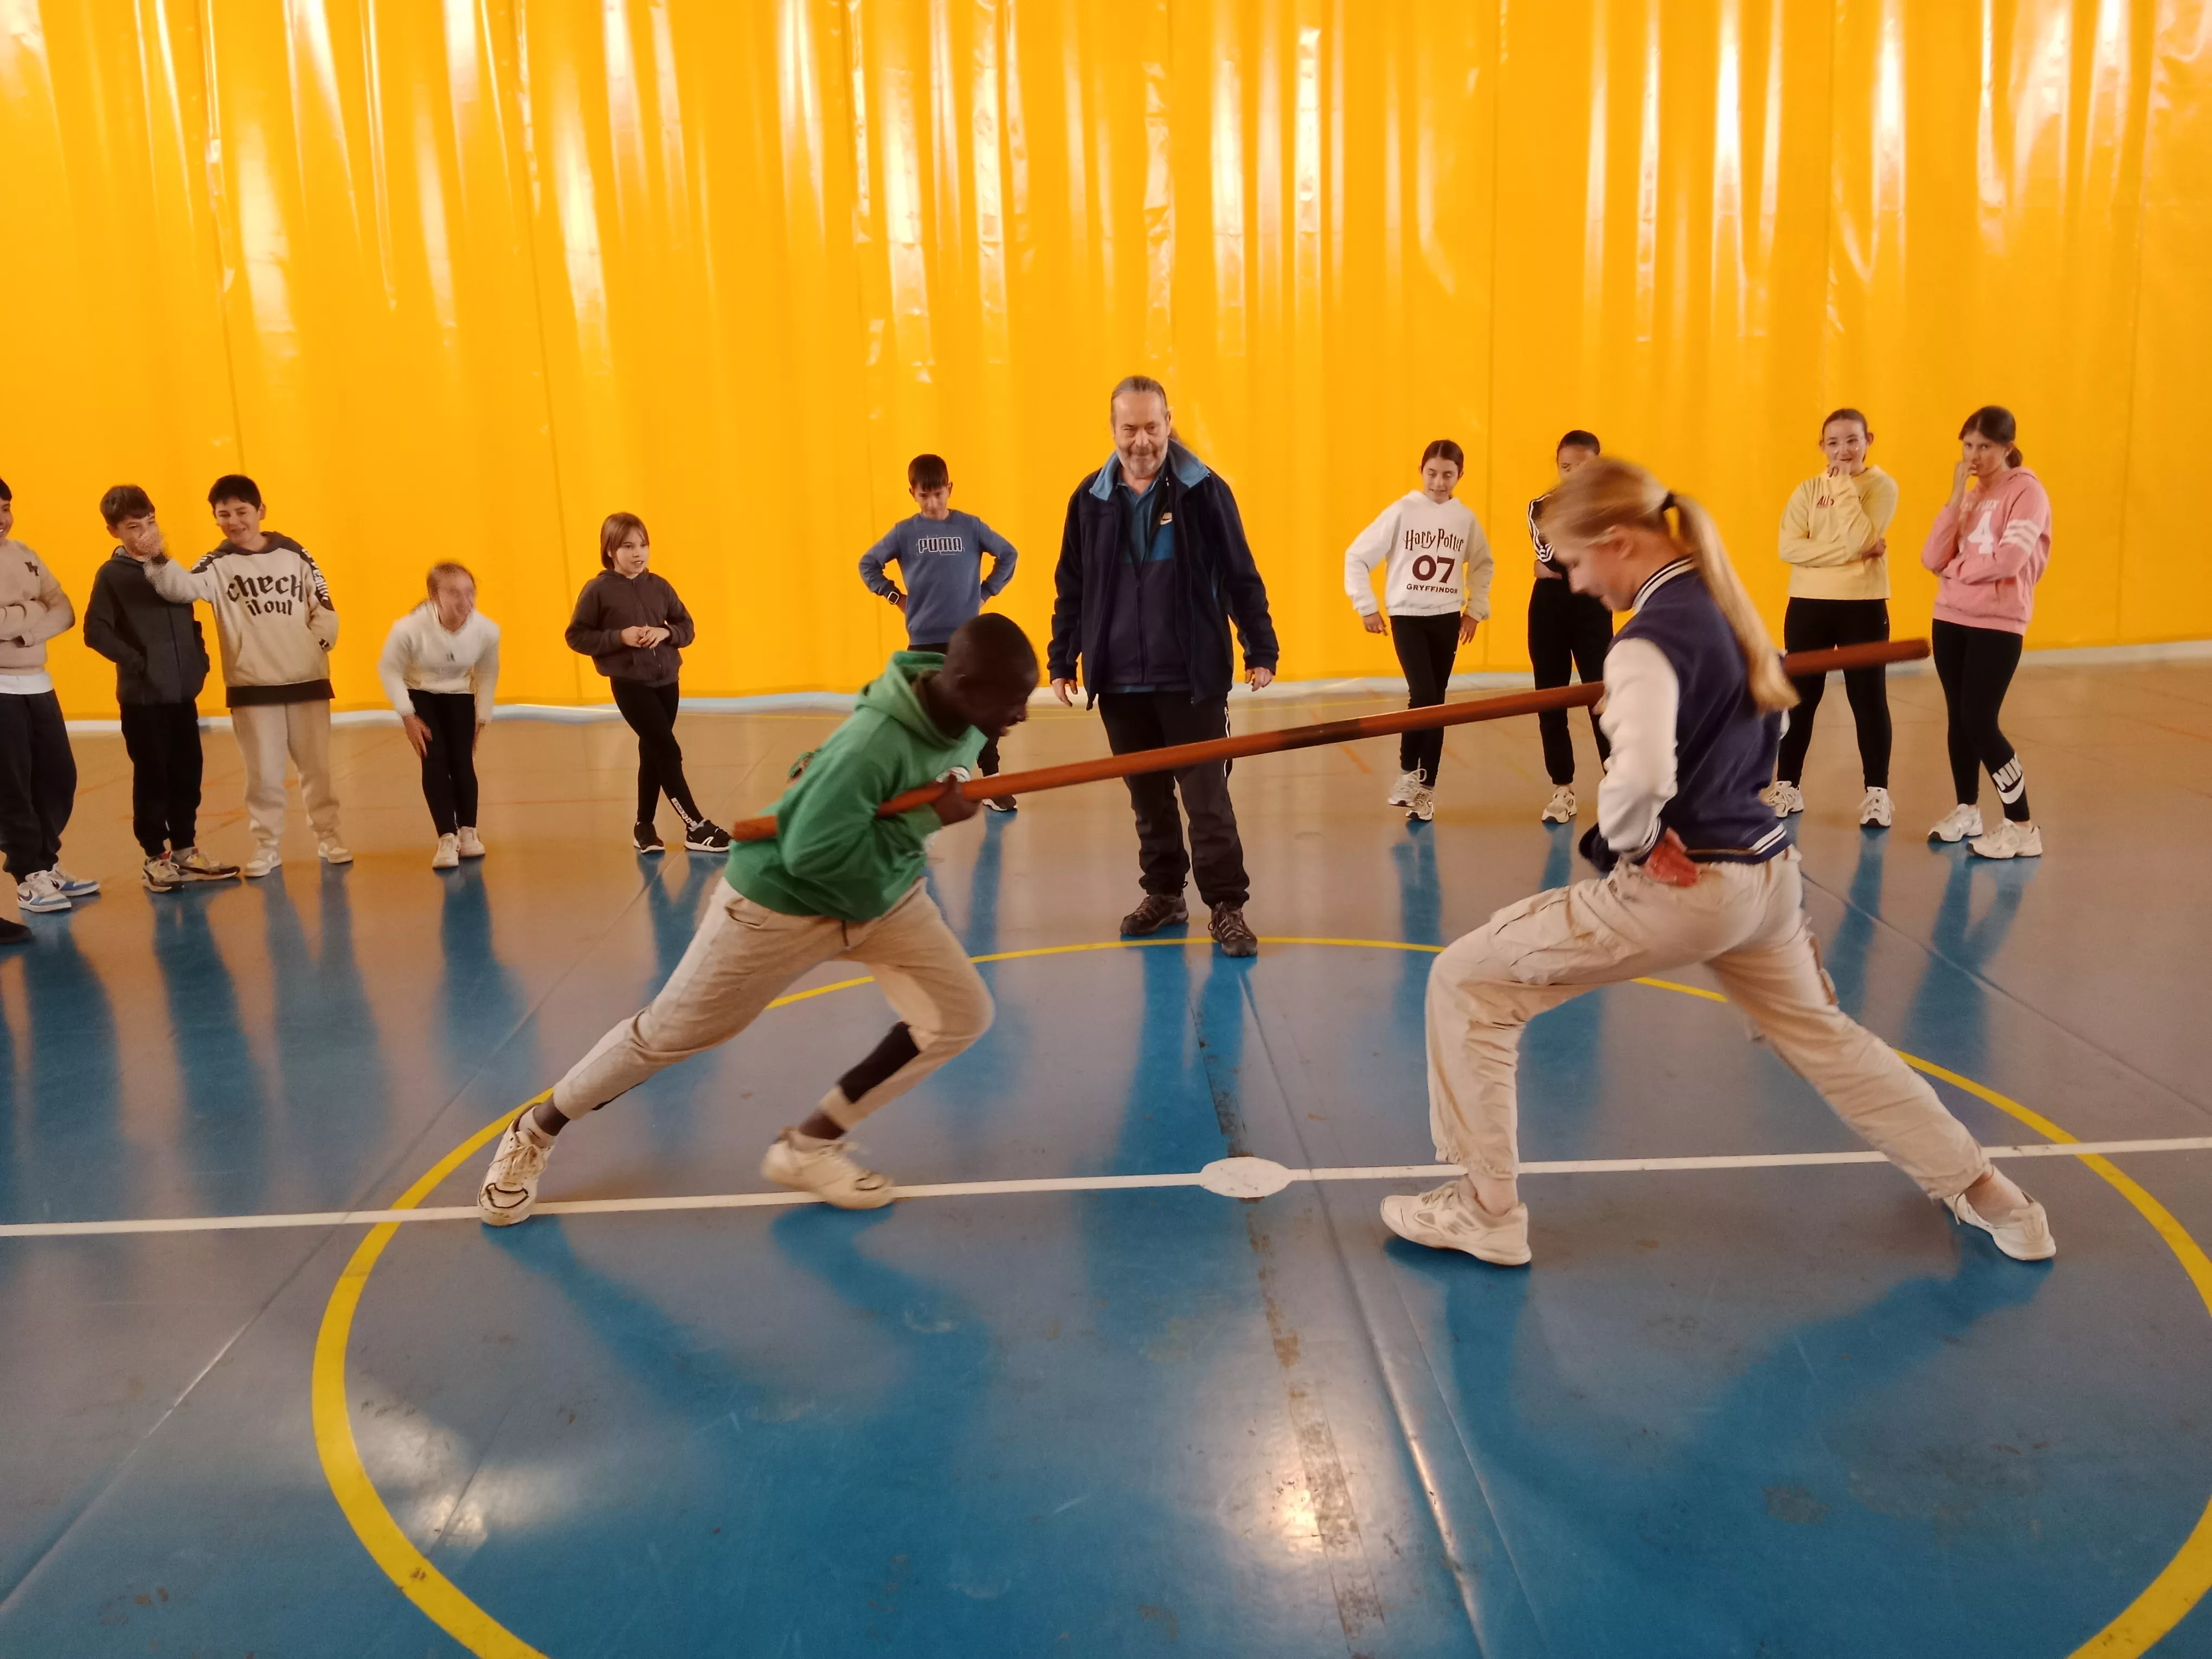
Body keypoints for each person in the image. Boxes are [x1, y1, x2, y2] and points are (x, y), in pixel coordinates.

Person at [1387, 455, 2054, 1268]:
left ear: (1619, 540)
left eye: (1577, 563)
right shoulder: (1726, 604)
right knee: (1827, 1040)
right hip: (1767, 877)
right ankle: (1994, 1196)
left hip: (1686, 884)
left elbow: (1638, 780)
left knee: (1467, 983)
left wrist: (1636, 841)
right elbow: (1769, 733)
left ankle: (1486, 1210)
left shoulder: (1644, 644)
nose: (1577, 583)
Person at [477, 615, 1039, 1224]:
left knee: (959, 1015)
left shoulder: (967, 720)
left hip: (884, 893)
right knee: (663, 1036)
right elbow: (812, 855)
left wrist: (819, 771)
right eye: (1011, 701)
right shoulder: (874, 742)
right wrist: (923, 819)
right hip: (784, 902)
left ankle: (809, 1148)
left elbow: (848, 773)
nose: (1022, 715)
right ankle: (533, 1131)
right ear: (963, 683)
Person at [1047, 375, 1280, 956]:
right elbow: (1072, 586)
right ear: (1113, 430)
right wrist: (1062, 657)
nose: (1142, 441)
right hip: (1119, 682)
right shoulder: (1089, 498)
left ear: (1169, 424)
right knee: (1147, 800)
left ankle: (1226, 906)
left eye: (1152, 427)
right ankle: (1165, 894)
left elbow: (1240, 573)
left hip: (1191, 680)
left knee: (1207, 802)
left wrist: (1260, 647)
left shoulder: (1205, 491)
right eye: (1130, 429)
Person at [144, 474, 345, 878]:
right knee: (263, 776)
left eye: (242, 512)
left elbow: (324, 606)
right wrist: (156, 555)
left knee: (317, 770)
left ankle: (330, 837)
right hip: (252, 688)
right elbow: (179, 589)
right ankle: (267, 846)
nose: (234, 521)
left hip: (307, 682)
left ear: (260, 511)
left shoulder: (295, 553)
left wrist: (313, 648)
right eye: (224, 515)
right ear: (215, 518)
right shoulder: (216, 563)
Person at [81, 485, 240, 892]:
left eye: (150, 522)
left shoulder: (169, 569)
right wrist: (140, 663)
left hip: (181, 695)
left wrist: (198, 661)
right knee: (153, 777)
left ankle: (186, 849)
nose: (145, 532)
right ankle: (155, 856)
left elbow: (190, 620)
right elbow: (95, 631)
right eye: (133, 526)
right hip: (143, 700)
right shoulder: (112, 576)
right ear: (114, 531)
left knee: (187, 772)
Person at [1921, 406, 2052, 861]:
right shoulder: (1971, 494)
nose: (1974, 456)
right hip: (1949, 618)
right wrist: (1956, 496)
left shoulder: (2027, 492)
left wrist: (1955, 571)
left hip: (1998, 622)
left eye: (1985, 447)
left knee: (1980, 719)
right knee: (1958, 718)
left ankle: (2022, 825)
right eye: (1968, 446)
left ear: (2007, 448)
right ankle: (1967, 810)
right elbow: (1931, 556)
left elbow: (2009, 561)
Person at [859, 452, 1021, 808]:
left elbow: (1009, 554)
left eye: (938, 494)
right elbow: (868, 564)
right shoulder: (905, 533)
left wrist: (985, 592)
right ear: (912, 494)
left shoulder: (970, 527)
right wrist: (894, 596)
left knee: (982, 711)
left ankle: (991, 782)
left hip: (967, 640)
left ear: (950, 488)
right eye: (924, 496)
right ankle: (916, 785)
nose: (932, 503)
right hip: (923, 641)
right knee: (921, 715)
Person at [1344, 439, 1493, 823]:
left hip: (1446, 617)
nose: (1439, 482)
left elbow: (1483, 564)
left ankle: (1426, 791)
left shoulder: (1465, 520)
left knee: (1435, 702)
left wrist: (1475, 610)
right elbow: (1357, 556)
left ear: (1460, 475)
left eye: (1448, 475)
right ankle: (1408, 773)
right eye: (1432, 473)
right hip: (1407, 616)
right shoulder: (1402, 511)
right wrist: (1366, 605)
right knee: (1424, 695)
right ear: (1421, 471)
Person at [565, 512, 731, 856]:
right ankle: (695, 826)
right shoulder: (598, 590)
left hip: (667, 681)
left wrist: (665, 633)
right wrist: (619, 637)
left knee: (653, 750)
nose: (638, 553)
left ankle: (644, 826)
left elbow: (687, 627)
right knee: (667, 750)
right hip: (631, 684)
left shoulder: (659, 586)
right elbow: (577, 636)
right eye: (628, 546)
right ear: (610, 550)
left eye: (643, 545)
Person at [1766, 409, 1900, 827]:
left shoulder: (1881, 487)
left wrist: (1843, 487)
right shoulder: (1807, 489)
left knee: (1868, 699)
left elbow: (1863, 535)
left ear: (1868, 440)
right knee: (1800, 698)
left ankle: (1877, 794)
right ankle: (1787, 786)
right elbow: (1789, 548)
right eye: (1834, 442)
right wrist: (1852, 553)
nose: (1843, 450)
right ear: (1822, 446)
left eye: (1852, 440)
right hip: (1808, 605)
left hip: (1863, 604)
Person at [0, 477, 94, 922]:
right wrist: (34, 609)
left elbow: (64, 608)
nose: (2, 519)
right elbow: (44, 606)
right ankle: (28, 876)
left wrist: (23, 626)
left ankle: (47, 862)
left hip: (38, 682)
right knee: (12, 785)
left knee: (58, 776)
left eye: (5, 509)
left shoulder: (25, 554)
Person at [378, 562, 501, 869]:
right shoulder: (408, 629)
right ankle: (447, 836)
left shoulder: (487, 631)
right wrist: (407, 716)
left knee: (462, 760)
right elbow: (389, 670)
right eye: (454, 593)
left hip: (459, 692)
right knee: (434, 758)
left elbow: (487, 673)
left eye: (470, 592)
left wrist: (481, 717)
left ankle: (469, 831)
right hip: (420, 691)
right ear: (435, 596)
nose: (465, 601)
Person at [1526, 430, 1614, 825]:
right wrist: (1583, 559)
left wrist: (1575, 562)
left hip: (1593, 606)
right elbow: (1551, 555)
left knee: (1603, 695)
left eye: (1584, 467)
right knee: (1551, 699)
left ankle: (1617, 783)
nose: (1574, 475)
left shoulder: (1611, 508)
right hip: (1549, 610)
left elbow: (1609, 556)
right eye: (1566, 467)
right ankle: (1562, 788)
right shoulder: (1540, 506)